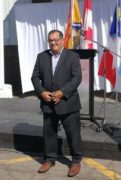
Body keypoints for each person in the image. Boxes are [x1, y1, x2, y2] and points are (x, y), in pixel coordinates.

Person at [31, 29, 83, 177]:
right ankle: (49, 159)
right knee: (49, 133)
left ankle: (76, 161)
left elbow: (77, 78)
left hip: (68, 103)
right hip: (48, 102)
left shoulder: (72, 56)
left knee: (73, 134)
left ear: (62, 40)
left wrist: (63, 92)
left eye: (56, 40)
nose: (53, 43)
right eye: (50, 40)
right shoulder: (42, 57)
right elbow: (34, 77)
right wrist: (41, 92)